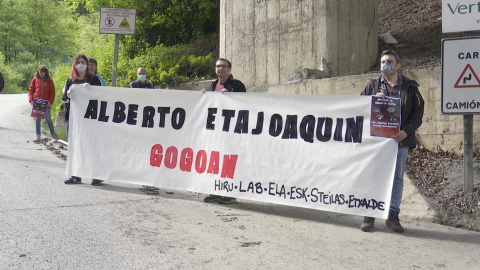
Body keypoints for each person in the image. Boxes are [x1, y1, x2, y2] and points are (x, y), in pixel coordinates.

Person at [360, 50, 424, 233]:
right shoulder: (372, 86)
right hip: (377, 142)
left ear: (397, 65)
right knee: (373, 175)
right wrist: (372, 101)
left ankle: (392, 216)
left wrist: (406, 131)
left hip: (399, 141)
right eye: (382, 62)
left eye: (389, 61)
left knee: (396, 178)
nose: (384, 65)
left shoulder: (410, 88)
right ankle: (369, 215)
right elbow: (359, 107)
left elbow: (418, 113)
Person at [202, 58, 246, 204]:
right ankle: (216, 190)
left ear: (229, 69)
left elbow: (245, 105)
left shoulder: (237, 85)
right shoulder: (212, 86)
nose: (221, 69)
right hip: (216, 132)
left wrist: (231, 97)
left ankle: (230, 193)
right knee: (216, 161)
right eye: (218, 66)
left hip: (231, 131)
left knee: (230, 162)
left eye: (224, 66)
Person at [62, 54, 103, 186]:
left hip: (89, 119)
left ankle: (96, 174)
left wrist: (89, 91)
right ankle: (75, 175)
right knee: (74, 147)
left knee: (91, 146)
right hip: (72, 119)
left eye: (83, 62)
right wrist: (68, 95)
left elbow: (102, 98)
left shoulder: (94, 80)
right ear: (74, 65)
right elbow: (64, 100)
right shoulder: (70, 80)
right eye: (78, 62)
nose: (81, 65)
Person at [28, 65, 57, 142]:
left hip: (46, 104)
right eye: (40, 72)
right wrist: (31, 100)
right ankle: (38, 136)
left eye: (43, 72)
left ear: (46, 72)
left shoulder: (49, 81)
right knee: (37, 119)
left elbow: (52, 92)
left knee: (48, 119)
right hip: (36, 103)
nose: (42, 73)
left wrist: (50, 102)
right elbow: (30, 91)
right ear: (38, 71)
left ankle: (53, 135)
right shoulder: (35, 80)